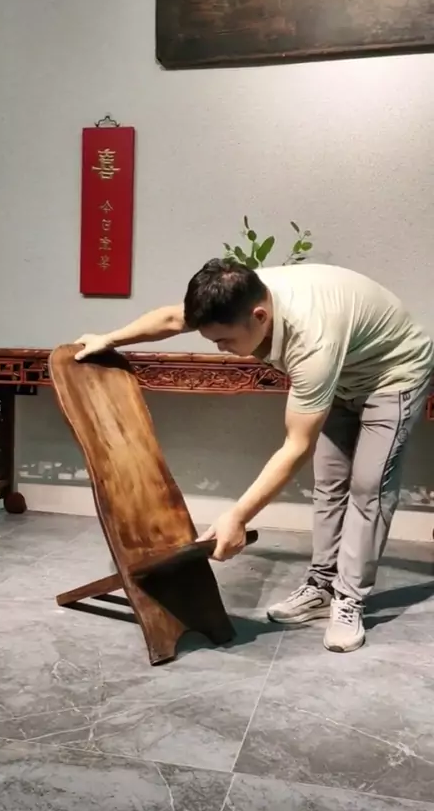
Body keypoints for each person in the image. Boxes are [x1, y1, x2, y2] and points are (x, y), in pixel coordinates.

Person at [74, 259, 434, 653]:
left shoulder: (312, 341)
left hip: (392, 375)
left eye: (225, 340)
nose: (221, 349)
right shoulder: (237, 294)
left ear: (259, 316)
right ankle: (322, 586)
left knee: (368, 487)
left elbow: (296, 445)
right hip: (344, 371)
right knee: (330, 481)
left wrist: (237, 516)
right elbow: (172, 318)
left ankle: (349, 599)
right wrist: (109, 339)